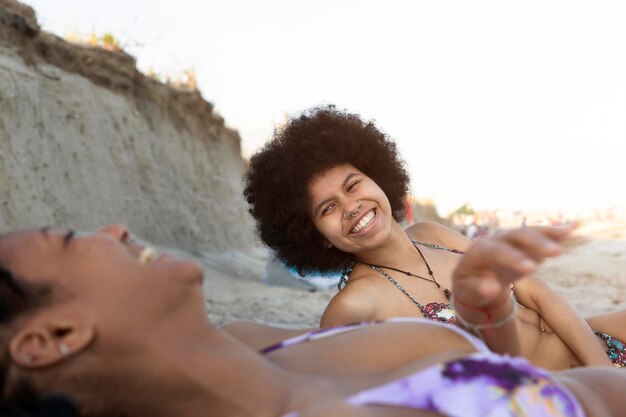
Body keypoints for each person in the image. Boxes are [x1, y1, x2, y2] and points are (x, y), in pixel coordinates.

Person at [0, 223, 625, 417]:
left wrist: (491, 309)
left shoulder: (253, 339)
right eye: (71, 239)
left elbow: (505, 371)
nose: (113, 230)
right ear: (54, 337)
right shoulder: (345, 313)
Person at [244, 105, 626, 370]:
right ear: (315, 236)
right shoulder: (352, 309)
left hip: (597, 352)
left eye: (353, 184)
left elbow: (537, 292)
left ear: (378, 177)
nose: (351, 206)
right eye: (327, 208)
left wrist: (602, 368)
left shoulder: (434, 235)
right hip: (558, 400)